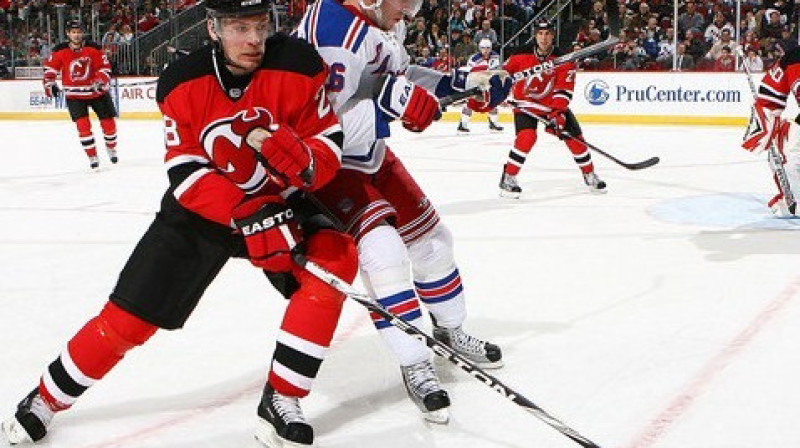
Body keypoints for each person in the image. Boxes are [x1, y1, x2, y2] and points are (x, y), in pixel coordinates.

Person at [2, 1, 358, 447]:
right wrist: (241, 212)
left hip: (279, 203)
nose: (253, 39)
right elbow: (186, 173)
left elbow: (326, 150)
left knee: (337, 258)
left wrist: (304, 163)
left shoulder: (299, 65)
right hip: (203, 212)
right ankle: (48, 396)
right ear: (213, 28)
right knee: (128, 320)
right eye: (240, 27)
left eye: (261, 26)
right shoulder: (182, 81)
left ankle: (283, 397)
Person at [295, 0, 510, 424]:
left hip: (371, 156)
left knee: (433, 244)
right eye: (406, 1)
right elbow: (320, 122)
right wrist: (393, 106)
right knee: (385, 257)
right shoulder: (333, 30)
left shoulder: (379, 19)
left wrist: (459, 83)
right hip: (331, 169)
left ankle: (449, 331)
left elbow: (395, 79)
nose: (411, 12)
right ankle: (415, 361)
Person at [499, 20, 607, 199]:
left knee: (576, 140)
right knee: (527, 137)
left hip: (552, 106)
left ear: (553, 35)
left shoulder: (564, 59)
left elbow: (563, 90)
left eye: (547, 33)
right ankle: (509, 177)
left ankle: (589, 174)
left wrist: (557, 114)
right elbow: (502, 76)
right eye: (540, 34)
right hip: (526, 104)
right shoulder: (519, 55)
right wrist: (499, 93)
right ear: (535, 36)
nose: (544, 38)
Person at [43, 20, 118, 170]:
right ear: (68, 34)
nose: (76, 35)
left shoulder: (94, 48)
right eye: (73, 32)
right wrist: (51, 85)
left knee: (109, 126)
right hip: (75, 96)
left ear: (82, 33)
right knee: (83, 127)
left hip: (97, 93)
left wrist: (100, 80)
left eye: (78, 32)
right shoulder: (60, 51)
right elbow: (49, 70)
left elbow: (104, 68)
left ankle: (111, 147)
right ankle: (92, 155)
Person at [742, 46, 800, 217]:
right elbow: (770, 98)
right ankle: (795, 197)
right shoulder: (794, 58)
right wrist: (765, 119)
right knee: (784, 144)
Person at [457, 38, 504, 133]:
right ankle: (463, 123)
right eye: (483, 48)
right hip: (476, 83)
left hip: (488, 83)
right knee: (471, 103)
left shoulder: (495, 56)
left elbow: (495, 70)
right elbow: (470, 72)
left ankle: (493, 122)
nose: (485, 50)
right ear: (479, 48)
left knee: (492, 102)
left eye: (488, 48)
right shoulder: (474, 59)